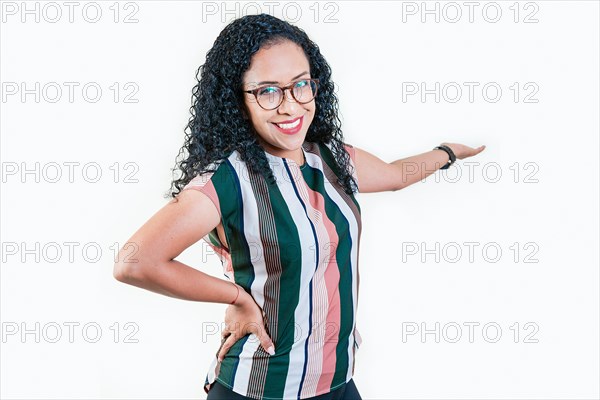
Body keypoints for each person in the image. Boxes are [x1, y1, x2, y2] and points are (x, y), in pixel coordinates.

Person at [113, 13, 485, 400]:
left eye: (300, 86)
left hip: (337, 382)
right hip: (262, 387)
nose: (290, 107)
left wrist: (447, 153)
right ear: (238, 100)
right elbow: (135, 263)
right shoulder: (228, 179)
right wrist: (236, 298)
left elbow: (394, 175)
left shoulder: (330, 158)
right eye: (268, 91)